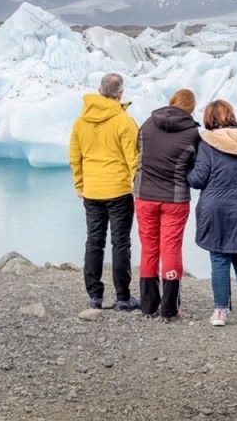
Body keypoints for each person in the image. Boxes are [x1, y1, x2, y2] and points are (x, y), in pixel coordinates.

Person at [186, 99, 237, 326]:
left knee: (219, 258)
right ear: (231, 115)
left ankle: (220, 311)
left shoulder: (208, 144)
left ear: (209, 118)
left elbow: (198, 179)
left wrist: (186, 169)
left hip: (216, 209)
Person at [68, 72, 140, 312]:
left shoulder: (80, 122)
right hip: (119, 190)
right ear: (120, 94)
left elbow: (75, 157)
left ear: (99, 92)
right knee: (121, 243)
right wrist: (137, 187)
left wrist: (80, 185)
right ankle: (123, 298)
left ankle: (95, 297)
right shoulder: (124, 121)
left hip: (92, 191)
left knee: (94, 241)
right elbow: (134, 159)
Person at [134, 89, 202, 320]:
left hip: (145, 196)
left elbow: (139, 153)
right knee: (171, 248)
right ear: (191, 108)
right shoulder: (192, 134)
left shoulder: (147, 125)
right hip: (174, 199)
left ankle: (148, 306)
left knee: (149, 247)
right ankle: (170, 308)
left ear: (171, 101)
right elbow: (195, 166)